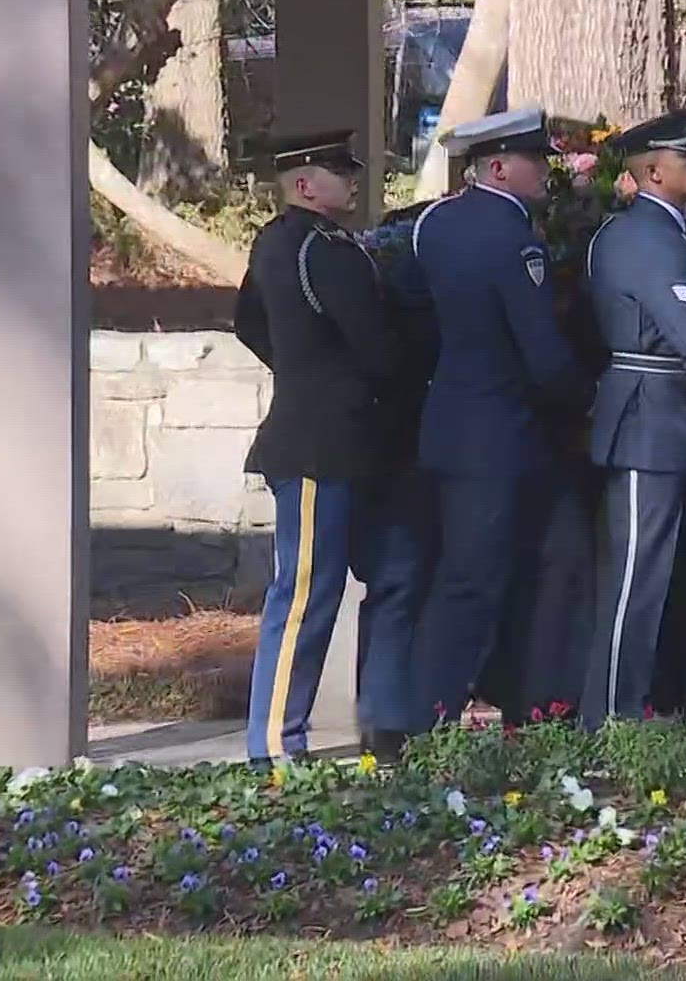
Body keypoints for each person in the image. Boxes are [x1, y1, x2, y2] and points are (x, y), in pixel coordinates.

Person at [236, 129, 425, 768]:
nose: (352, 179)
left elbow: (249, 323)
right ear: (304, 185)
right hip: (322, 443)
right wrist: (320, 378)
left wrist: (300, 368)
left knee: (387, 576)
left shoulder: (278, 243)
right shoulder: (326, 251)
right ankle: (275, 743)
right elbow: (374, 348)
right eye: (339, 171)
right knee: (306, 593)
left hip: (348, 439)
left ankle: (380, 723)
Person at [405, 108, 593, 727]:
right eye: (535, 161)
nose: (545, 171)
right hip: (503, 433)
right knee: (482, 577)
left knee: (468, 573)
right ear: (498, 168)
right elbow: (539, 348)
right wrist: (583, 395)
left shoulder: (434, 224)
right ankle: (441, 711)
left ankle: (446, 704)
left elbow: (415, 312)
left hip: (450, 421)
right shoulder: (513, 236)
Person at [578, 107, 686, 727]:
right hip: (648, 417)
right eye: (685, 158)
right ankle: (611, 716)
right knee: (634, 579)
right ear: (651, 171)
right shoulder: (645, 235)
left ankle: (643, 702)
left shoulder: (666, 230)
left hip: (665, 414)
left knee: (662, 572)